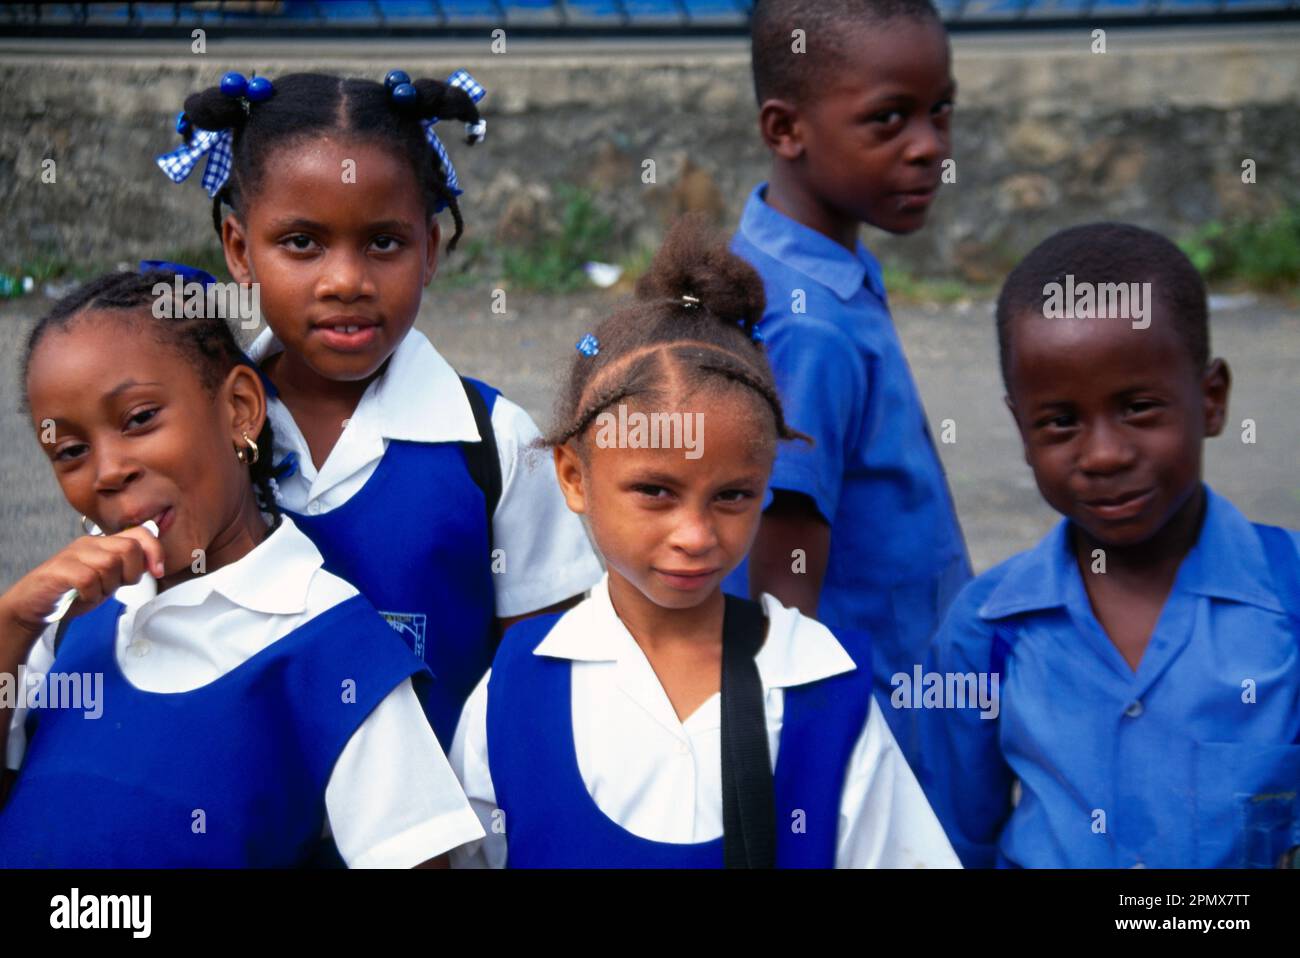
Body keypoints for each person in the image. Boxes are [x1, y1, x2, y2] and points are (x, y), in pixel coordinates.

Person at [449, 218, 959, 868]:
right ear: (574, 478)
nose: (695, 536)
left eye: (732, 496)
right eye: (656, 492)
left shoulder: (818, 681)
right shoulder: (516, 690)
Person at [158, 68, 603, 748]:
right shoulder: (194, 434)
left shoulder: (495, 446)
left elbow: (542, 682)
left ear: (429, 248)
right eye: (302, 243)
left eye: (384, 243)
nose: (346, 281)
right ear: (240, 251)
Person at [0, 269, 484, 867]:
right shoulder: (68, 623)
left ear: (238, 409)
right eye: (70, 451)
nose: (106, 470)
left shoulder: (336, 652)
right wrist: (12, 628)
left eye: (139, 418)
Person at [920, 222, 1300, 868]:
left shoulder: (1288, 599)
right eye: (1060, 421)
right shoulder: (986, 631)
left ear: (1210, 400)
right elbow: (948, 845)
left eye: (1139, 408)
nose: (1102, 454)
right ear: (1021, 427)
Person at [723, 0, 971, 763]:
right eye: (889, 120)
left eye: (940, 111)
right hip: (878, 726)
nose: (929, 147)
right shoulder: (809, 326)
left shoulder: (794, 261)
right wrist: (795, 763)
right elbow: (784, 574)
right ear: (785, 129)